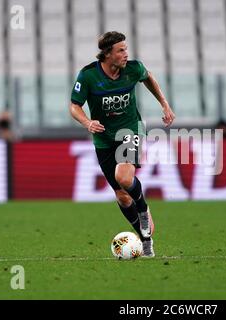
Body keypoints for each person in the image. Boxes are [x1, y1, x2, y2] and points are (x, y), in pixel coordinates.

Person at [69, 31, 175, 258]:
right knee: (122, 196)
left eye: (126, 49)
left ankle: (144, 208)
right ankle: (146, 240)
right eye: (121, 50)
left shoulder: (133, 69)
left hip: (130, 128)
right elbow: (74, 106)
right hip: (103, 137)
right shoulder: (88, 76)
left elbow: (148, 77)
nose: (126, 54)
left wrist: (164, 104)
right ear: (107, 54)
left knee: (124, 177)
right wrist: (87, 122)